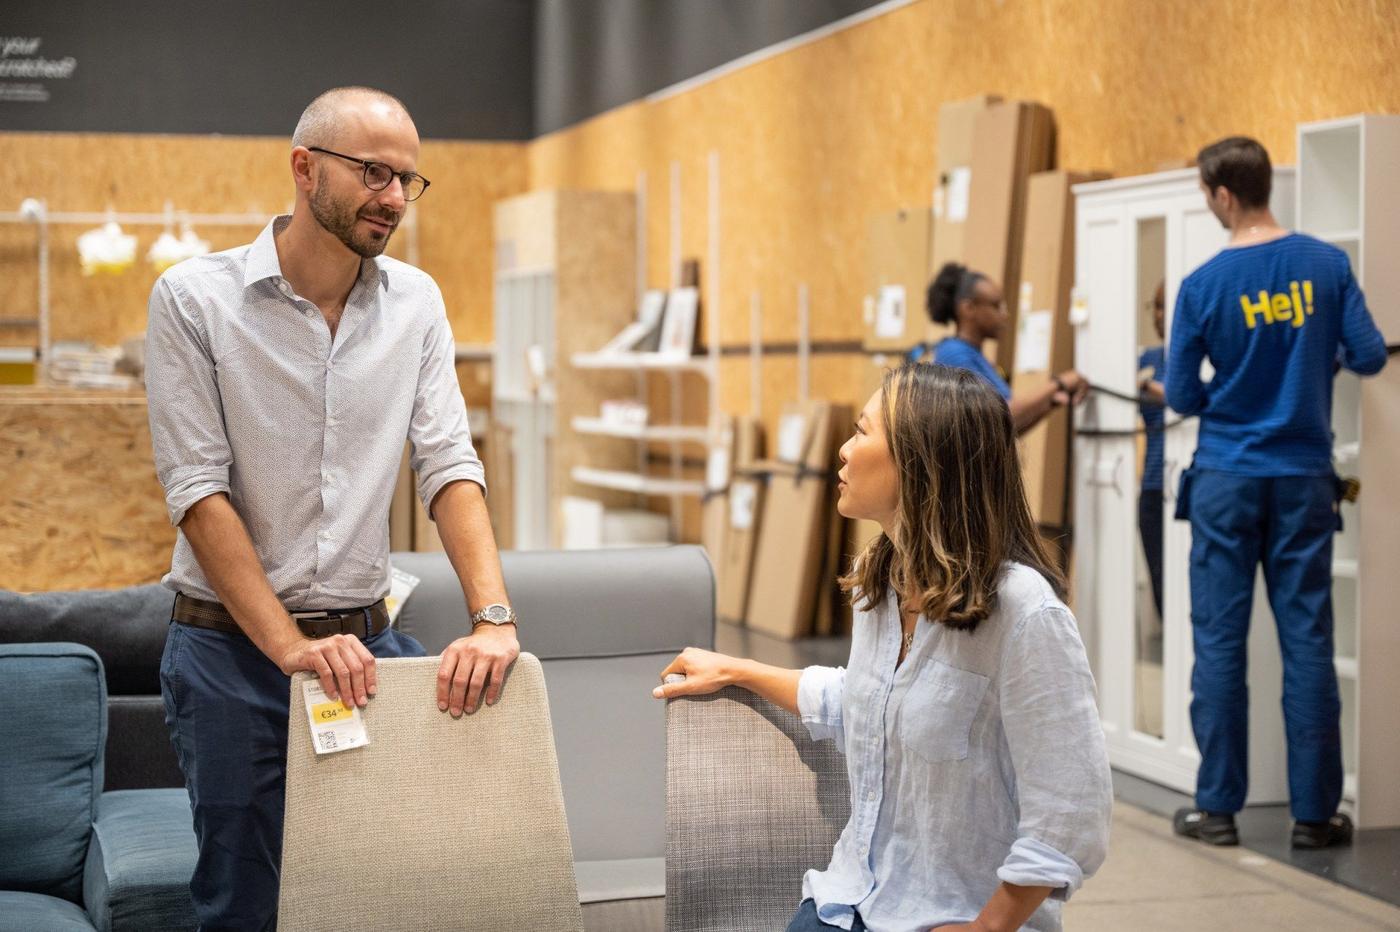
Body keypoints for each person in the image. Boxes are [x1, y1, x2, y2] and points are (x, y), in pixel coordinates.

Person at [145, 86, 520, 930]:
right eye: (374, 173)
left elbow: (449, 463)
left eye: (408, 181)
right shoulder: (194, 300)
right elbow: (197, 494)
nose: (394, 198)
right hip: (230, 658)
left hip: (366, 650)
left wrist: (493, 615)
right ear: (304, 168)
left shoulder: (416, 304)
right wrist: (290, 649)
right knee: (244, 906)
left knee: (376, 896)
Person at [656, 363, 1112, 932]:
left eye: (862, 432)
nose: (843, 452)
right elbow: (870, 699)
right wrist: (739, 669)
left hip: (956, 913)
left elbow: (1072, 809)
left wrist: (988, 927)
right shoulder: (884, 582)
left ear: (921, 465)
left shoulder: (1026, 613)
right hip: (849, 898)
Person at [1166, 136, 1387, 850]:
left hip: (1227, 479)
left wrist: (1224, 390)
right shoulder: (1327, 266)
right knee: (1308, 641)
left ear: (1224, 195)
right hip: (1303, 479)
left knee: (1221, 643)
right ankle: (1315, 816)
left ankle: (1218, 810)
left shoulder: (1202, 286)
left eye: (1206, 194)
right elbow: (1371, 354)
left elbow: (1177, 393)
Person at [907, 262, 1089, 434]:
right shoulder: (954, 354)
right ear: (968, 308)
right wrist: (1059, 383)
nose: (1005, 314)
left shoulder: (975, 355)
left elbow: (1007, 429)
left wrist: (1049, 403)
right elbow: (1001, 418)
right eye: (996, 306)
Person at [1138, 283, 1167, 622]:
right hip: (1152, 484)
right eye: (1155, 307)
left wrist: (1144, 385)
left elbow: (1186, 395)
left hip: (1183, 483)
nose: (1160, 316)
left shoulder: (1193, 359)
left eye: (1165, 306)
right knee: (1158, 575)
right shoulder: (1147, 359)